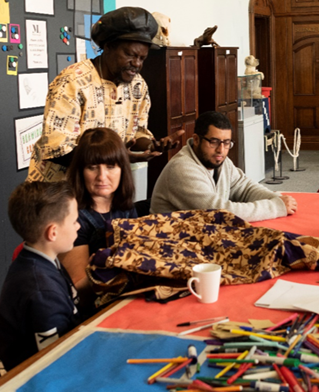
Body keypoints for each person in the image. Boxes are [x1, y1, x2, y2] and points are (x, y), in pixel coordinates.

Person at [26, 6, 184, 182]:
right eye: (130, 54)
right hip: (58, 191)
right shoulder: (72, 82)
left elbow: (136, 133)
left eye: (142, 58)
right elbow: (57, 150)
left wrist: (151, 145)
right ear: (108, 47)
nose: (137, 64)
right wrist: (116, 157)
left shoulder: (138, 85)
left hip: (102, 188)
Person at [150, 111, 298, 222]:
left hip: (200, 236)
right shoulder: (182, 169)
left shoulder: (220, 161)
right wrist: (276, 207)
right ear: (196, 140)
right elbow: (221, 212)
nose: (221, 150)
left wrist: (275, 198)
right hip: (170, 243)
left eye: (226, 143)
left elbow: (245, 187)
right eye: (214, 142)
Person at [0, 181, 82, 371]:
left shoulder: (39, 257)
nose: (78, 226)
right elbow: (53, 362)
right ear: (53, 232)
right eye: (74, 221)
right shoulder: (42, 293)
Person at [60, 127, 138, 294]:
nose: (102, 176)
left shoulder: (126, 207)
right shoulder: (73, 218)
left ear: (122, 169)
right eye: (92, 167)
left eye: (111, 166)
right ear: (81, 171)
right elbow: (79, 285)